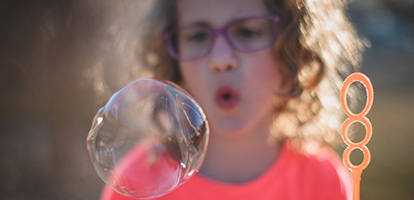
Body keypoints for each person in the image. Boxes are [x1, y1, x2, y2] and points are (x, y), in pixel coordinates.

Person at [100, 0, 364, 199]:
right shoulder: (137, 184)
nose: (221, 59)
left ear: (292, 49)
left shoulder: (323, 181)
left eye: (247, 32)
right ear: (174, 59)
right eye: (198, 36)